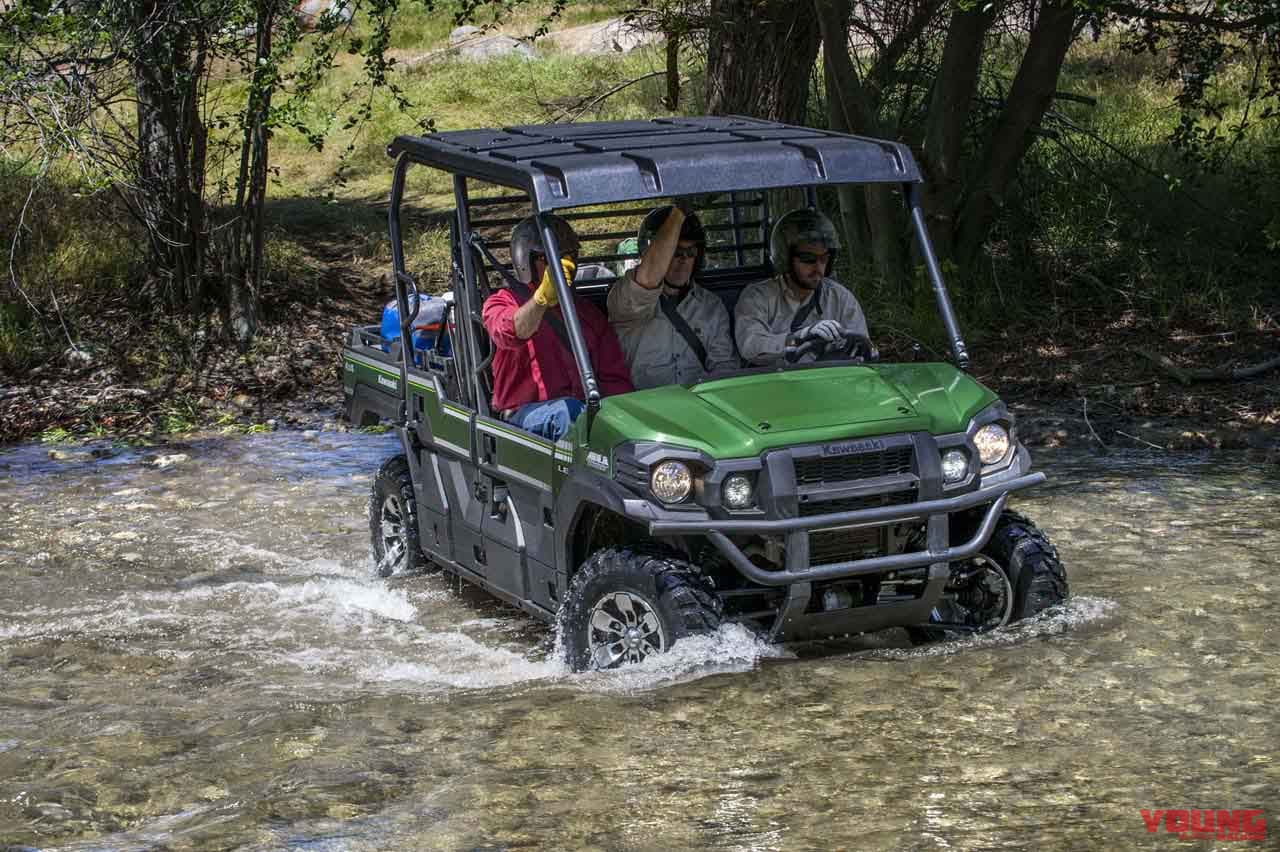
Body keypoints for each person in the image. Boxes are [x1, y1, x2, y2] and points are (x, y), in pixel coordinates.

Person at [481, 215, 633, 440]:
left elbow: (615, 381)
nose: (561, 265)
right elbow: (510, 332)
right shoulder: (503, 302)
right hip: (524, 417)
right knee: (566, 412)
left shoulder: (587, 313)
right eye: (548, 258)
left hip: (582, 413)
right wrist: (542, 298)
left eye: (566, 256)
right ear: (526, 261)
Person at [607, 202, 737, 389]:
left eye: (690, 252)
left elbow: (724, 367)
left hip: (699, 407)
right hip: (642, 409)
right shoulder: (625, 298)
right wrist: (679, 213)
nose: (683, 261)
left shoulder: (710, 306)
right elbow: (646, 282)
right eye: (674, 252)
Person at [734, 208, 870, 367]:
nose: (819, 268)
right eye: (808, 259)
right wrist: (798, 338)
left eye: (824, 259)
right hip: (776, 386)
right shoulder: (757, 297)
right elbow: (750, 346)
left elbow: (862, 351)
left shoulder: (840, 298)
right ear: (785, 259)